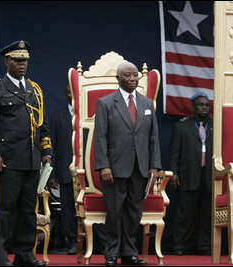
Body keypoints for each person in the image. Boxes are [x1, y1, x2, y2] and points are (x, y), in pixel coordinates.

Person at [94, 61, 161, 266]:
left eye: (135, 75)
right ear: (118, 79)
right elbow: (100, 138)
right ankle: (112, 253)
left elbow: (153, 138)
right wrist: (104, 166)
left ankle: (129, 252)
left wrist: (155, 166)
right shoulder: (105, 103)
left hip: (139, 168)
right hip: (113, 169)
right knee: (114, 213)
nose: (132, 79)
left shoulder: (147, 104)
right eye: (127, 76)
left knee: (134, 212)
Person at [0, 40, 52, 266]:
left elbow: (42, 125)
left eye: (25, 60)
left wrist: (46, 151)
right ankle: (0, 255)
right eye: (17, 60)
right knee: (5, 210)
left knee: (29, 210)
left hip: (31, 161)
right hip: (7, 161)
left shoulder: (34, 90)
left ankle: (24, 253)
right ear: (6, 61)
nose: (22, 64)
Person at [168, 92, 213, 256]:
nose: (204, 108)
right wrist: (173, 173)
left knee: (207, 215)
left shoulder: (215, 125)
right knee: (184, 215)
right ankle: (180, 246)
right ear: (193, 107)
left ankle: (205, 246)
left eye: (207, 105)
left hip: (208, 177)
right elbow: (174, 152)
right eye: (201, 105)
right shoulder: (182, 125)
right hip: (188, 176)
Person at [49, 84, 77, 254]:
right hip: (65, 172)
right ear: (65, 94)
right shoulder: (57, 117)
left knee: (91, 208)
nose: (71, 94)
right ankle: (73, 241)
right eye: (68, 91)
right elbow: (51, 147)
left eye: (74, 91)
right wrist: (52, 173)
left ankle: (98, 243)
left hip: (89, 172)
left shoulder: (90, 115)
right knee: (68, 209)